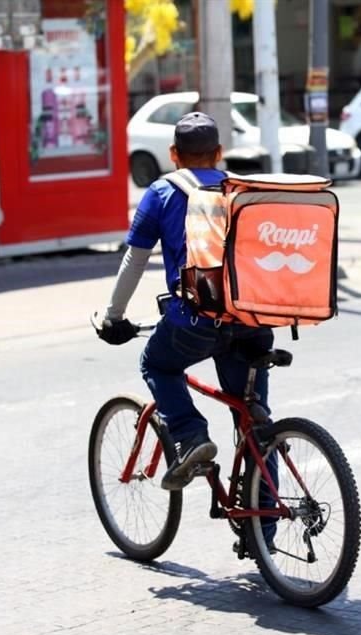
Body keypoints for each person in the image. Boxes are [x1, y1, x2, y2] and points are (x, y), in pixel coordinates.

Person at [98, 112, 277, 498]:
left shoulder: (162, 193)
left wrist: (113, 317)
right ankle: (265, 531)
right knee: (255, 421)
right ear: (219, 152)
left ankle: (190, 434)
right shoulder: (241, 190)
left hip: (195, 321)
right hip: (253, 318)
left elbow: (135, 259)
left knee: (157, 364)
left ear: (174, 154)